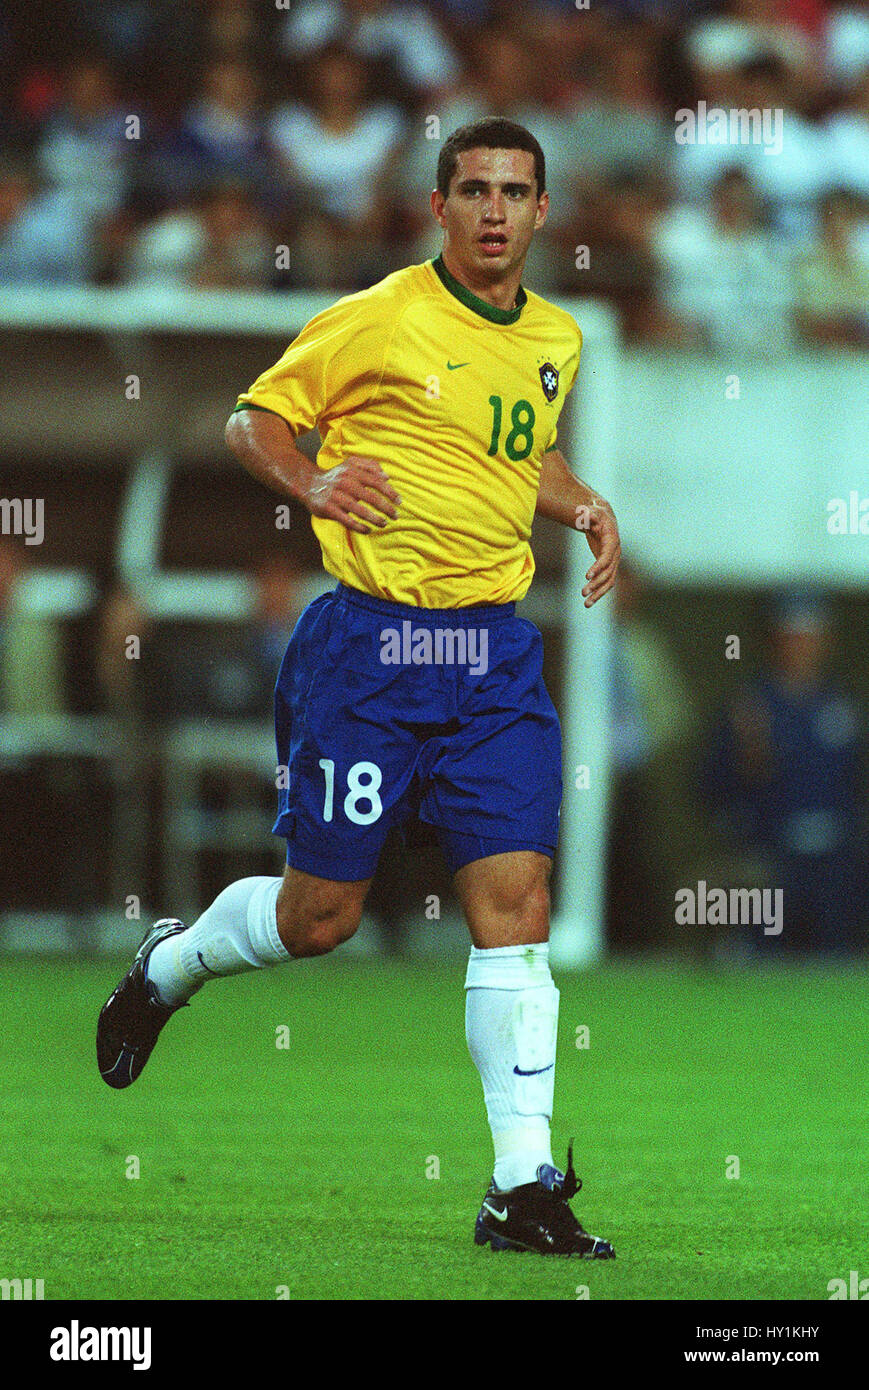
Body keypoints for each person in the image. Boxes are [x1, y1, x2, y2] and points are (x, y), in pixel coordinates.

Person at [97, 118, 621, 1259]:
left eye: (515, 191)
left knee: (514, 906)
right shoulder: (376, 316)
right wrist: (313, 478)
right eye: (472, 188)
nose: (493, 209)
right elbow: (254, 420)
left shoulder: (554, 337)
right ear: (437, 207)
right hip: (369, 651)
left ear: (542, 213)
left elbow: (515, 450)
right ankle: (173, 960)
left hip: (489, 655)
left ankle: (518, 1183)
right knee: (318, 918)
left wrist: (578, 503)